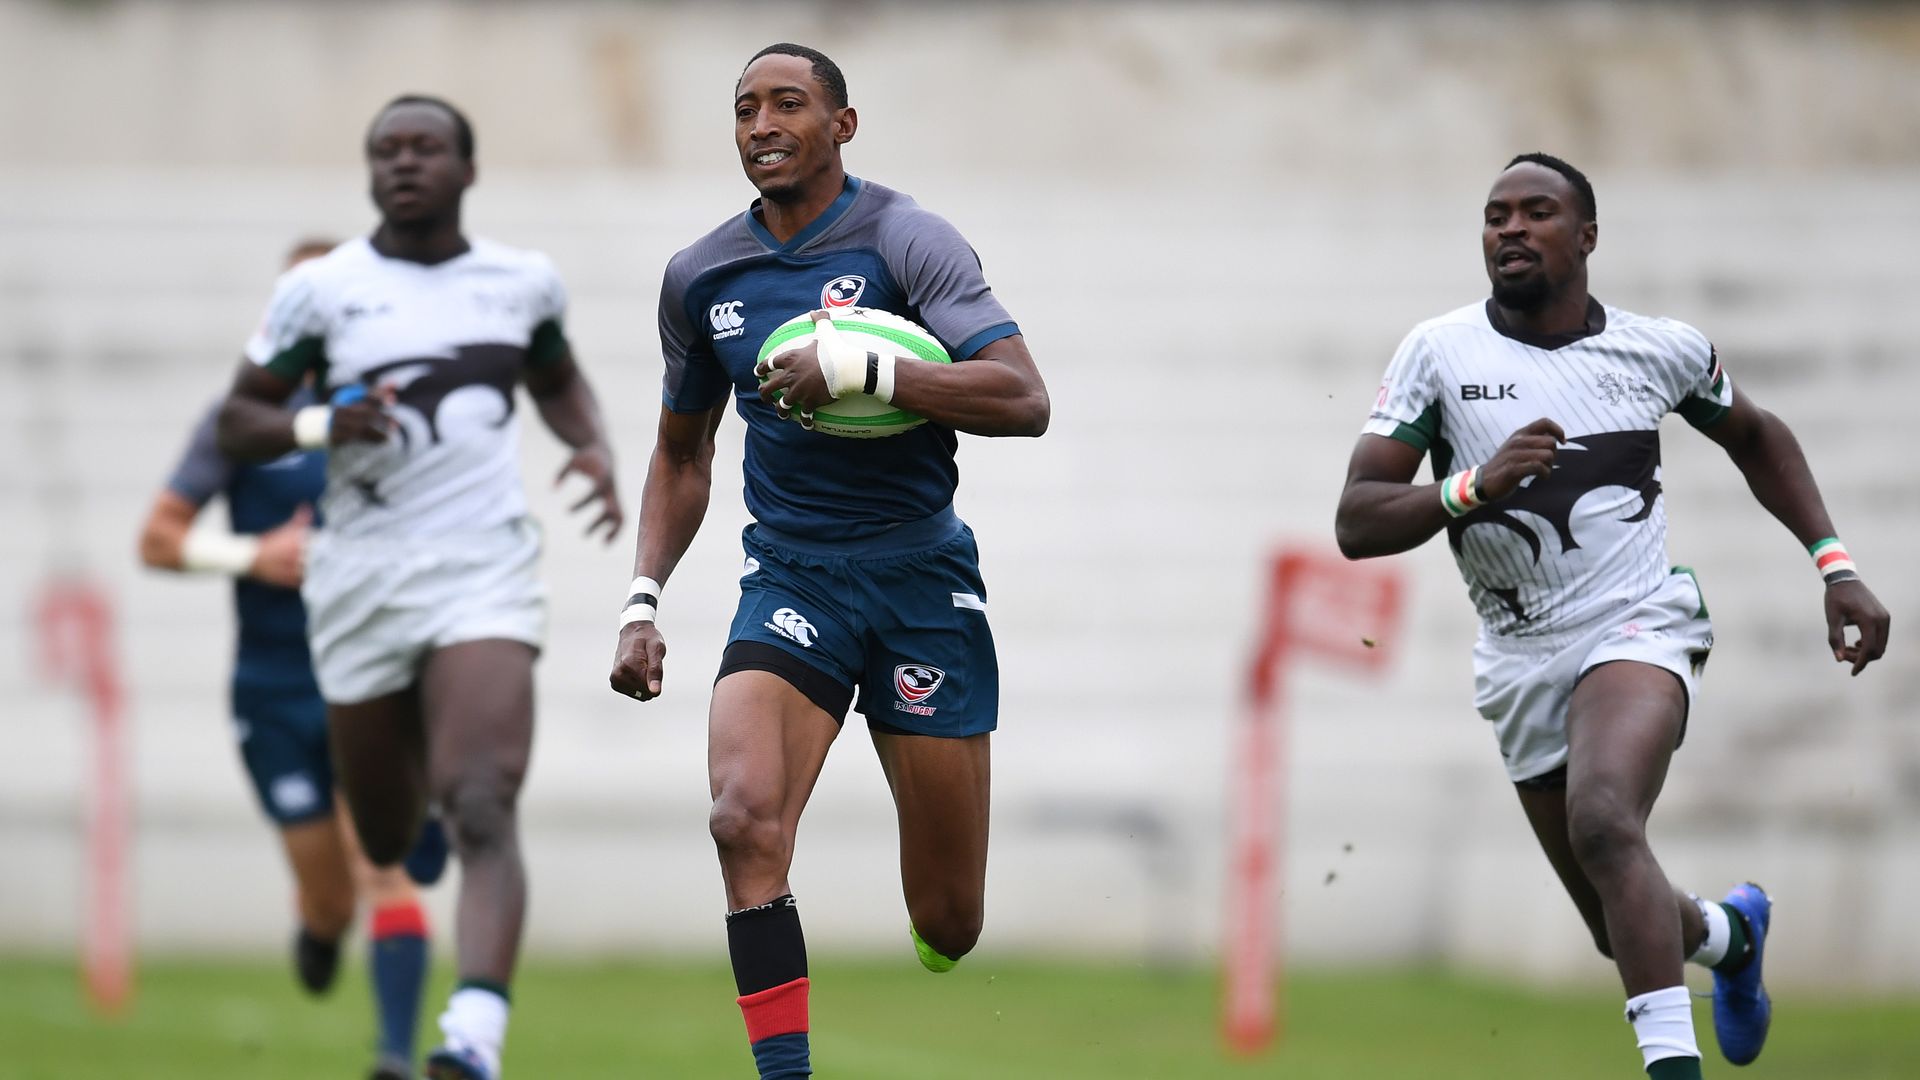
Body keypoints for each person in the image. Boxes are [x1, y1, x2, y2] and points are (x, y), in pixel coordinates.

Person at [1334, 153, 1891, 1078]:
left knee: (1603, 820)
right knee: (1617, 923)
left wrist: (1837, 567)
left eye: (1536, 212)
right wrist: (1473, 484)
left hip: (1637, 623)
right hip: (1518, 655)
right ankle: (1729, 936)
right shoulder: (1438, 353)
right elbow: (1356, 520)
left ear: (1586, 236)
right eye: (1494, 215)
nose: (1510, 229)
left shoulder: (1658, 348)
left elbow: (1756, 434)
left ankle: (1671, 1068)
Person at [607, 43, 1048, 1080]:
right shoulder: (703, 275)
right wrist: (640, 599)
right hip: (794, 581)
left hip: (919, 581)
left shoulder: (907, 240)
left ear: (841, 126)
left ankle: (940, 925)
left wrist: (866, 362)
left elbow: (1022, 399)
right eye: (745, 107)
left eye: (789, 104)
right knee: (740, 816)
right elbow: (681, 454)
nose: (763, 124)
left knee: (950, 920)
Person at [216, 96, 624, 1080]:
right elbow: (239, 419)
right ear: (369, 173)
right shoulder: (322, 290)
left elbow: (557, 376)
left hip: (481, 563)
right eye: (386, 151)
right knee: (393, 833)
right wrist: (321, 426)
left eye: (426, 148)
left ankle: (471, 1037)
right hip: (358, 578)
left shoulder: (521, 283)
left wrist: (593, 445)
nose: (405, 164)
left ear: (467, 169)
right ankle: (422, 817)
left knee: (484, 798)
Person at [139, 236, 442, 1080]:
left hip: (367, 678)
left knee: (382, 869)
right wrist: (251, 556)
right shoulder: (240, 420)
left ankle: (393, 1058)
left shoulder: (390, 418)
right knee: (330, 895)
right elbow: (156, 539)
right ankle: (318, 929)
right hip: (272, 690)